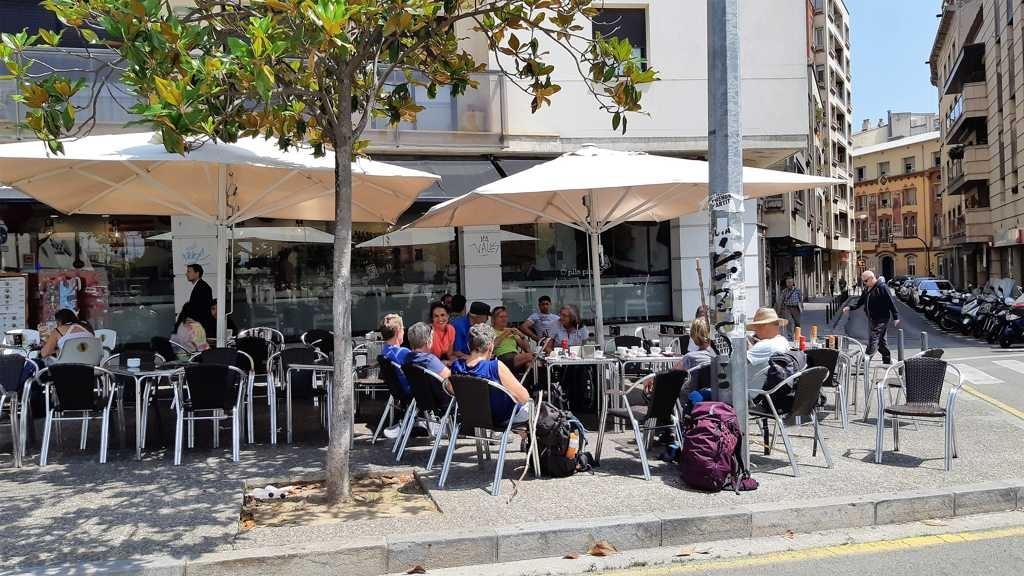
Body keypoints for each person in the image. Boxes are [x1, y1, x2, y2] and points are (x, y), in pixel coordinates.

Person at [451, 324, 531, 425]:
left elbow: (452, 391)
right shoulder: (495, 366)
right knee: (531, 406)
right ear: (490, 346)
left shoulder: (456, 366)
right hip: (501, 418)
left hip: (471, 417)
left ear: (468, 345)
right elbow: (524, 397)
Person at [843, 270, 900, 365]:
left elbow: (891, 302)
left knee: (873, 338)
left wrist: (896, 317)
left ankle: (864, 362)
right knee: (881, 341)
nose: (864, 283)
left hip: (882, 318)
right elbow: (860, 302)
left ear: (872, 278)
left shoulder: (882, 287)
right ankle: (887, 360)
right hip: (871, 318)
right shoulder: (867, 289)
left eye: (866, 281)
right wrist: (849, 307)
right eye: (863, 281)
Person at [491, 306, 535, 373]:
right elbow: (492, 346)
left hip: (515, 357)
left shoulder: (511, 331)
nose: (504, 319)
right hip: (501, 358)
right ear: (494, 319)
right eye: (501, 317)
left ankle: (530, 379)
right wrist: (505, 334)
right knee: (531, 356)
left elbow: (527, 349)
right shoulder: (490, 330)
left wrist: (521, 335)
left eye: (506, 317)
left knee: (529, 363)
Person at [746, 307, 791, 373]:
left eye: (757, 326)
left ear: (765, 326)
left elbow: (737, 362)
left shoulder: (764, 345)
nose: (755, 330)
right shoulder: (783, 340)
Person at [378, 313, 412, 397]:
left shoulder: (384, 352)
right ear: (398, 331)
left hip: (396, 392)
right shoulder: (404, 352)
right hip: (410, 392)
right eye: (403, 329)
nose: (404, 332)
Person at [176, 263, 214, 335]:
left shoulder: (202, 287)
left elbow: (202, 309)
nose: (186, 274)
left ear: (197, 273)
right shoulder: (200, 286)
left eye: (189, 271)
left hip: (201, 327)